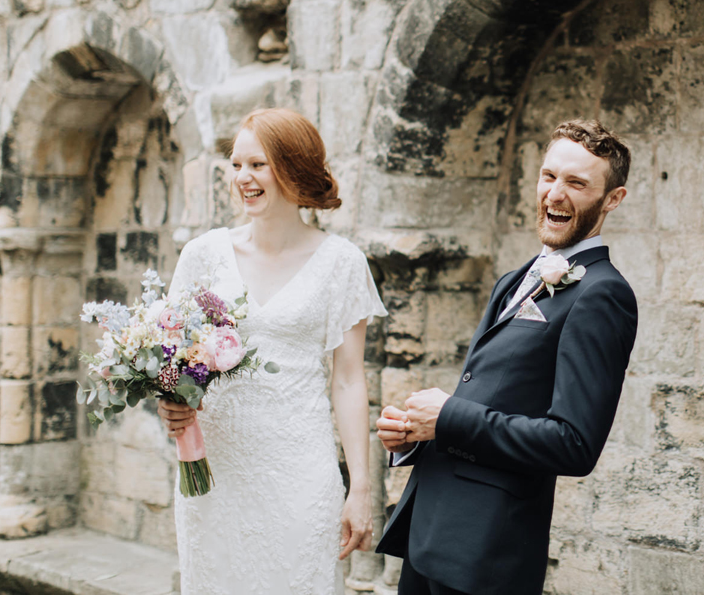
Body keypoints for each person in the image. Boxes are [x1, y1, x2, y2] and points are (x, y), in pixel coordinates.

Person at [375, 119, 638, 595]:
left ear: (612, 200)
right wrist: (416, 435)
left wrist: (449, 416)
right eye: (549, 176)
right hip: (431, 536)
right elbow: (491, 396)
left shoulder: (603, 295)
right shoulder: (514, 279)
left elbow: (574, 443)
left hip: (488, 554)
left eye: (577, 183)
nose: (555, 194)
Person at [156, 108, 386, 595]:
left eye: (257, 165)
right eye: (236, 165)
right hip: (213, 474)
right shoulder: (203, 255)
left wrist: (360, 488)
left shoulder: (341, 263)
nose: (243, 178)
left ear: (293, 168)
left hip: (299, 472)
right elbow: (172, 359)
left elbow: (348, 380)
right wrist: (171, 399)